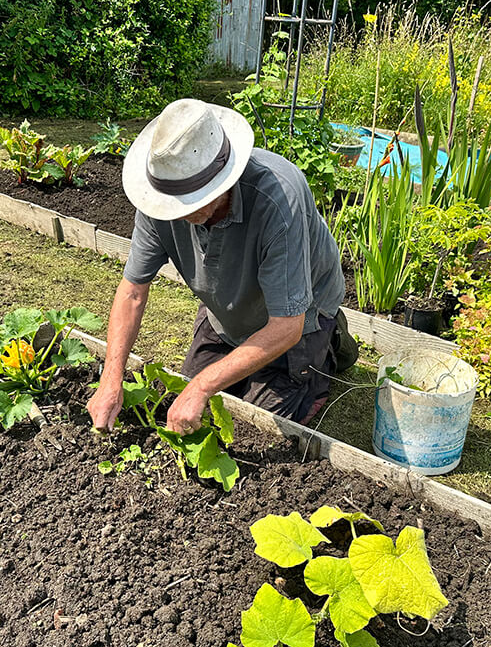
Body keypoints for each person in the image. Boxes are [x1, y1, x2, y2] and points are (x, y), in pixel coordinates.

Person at [85, 98, 355, 436]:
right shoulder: (162, 198)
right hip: (229, 310)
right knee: (179, 408)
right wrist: (112, 377)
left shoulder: (278, 198)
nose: (179, 213)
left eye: (192, 201)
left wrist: (201, 386)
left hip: (300, 312)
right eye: (174, 205)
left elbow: (287, 325)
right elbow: (133, 292)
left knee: (253, 426)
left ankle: (327, 348)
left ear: (225, 180)